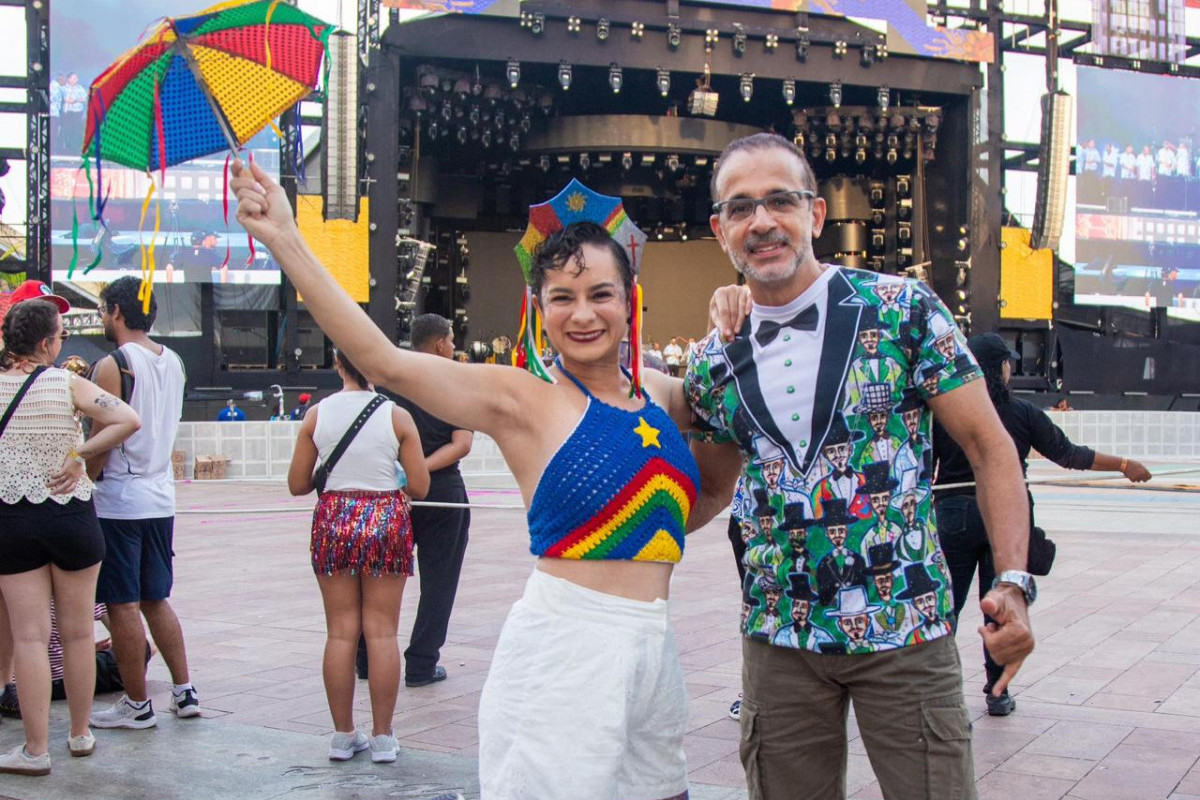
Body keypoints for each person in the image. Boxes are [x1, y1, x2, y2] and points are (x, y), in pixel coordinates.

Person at [233, 163, 715, 799]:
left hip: (654, 647)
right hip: (566, 649)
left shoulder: (661, 395)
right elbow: (382, 360)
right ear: (538, 309)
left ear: (629, 302)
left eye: (600, 294)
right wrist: (286, 240)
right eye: (562, 298)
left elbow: (700, 496)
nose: (583, 314)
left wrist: (740, 311)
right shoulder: (522, 399)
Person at [689, 132, 1035, 799]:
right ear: (721, 229)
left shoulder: (902, 310)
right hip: (778, 637)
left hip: (903, 627)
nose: (761, 221)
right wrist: (624, 545)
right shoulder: (712, 361)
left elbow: (992, 448)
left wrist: (1014, 583)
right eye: (740, 207)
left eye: (779, 201)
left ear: (815, 215)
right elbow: (711, 487)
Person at [932, 332, 1151, 716]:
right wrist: (1122, 464)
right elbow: (1068, 454)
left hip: (955, 515)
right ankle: (996, 693)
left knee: (943, 607)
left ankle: (934, 694)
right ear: (999, 368)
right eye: (1007, 364)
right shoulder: (1022, 413)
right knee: (1000, 605)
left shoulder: (947, 413)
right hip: (1004, 514)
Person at [0, 296, 140, 775]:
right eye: (59, 335)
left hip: (12, 521)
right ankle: (80, 735)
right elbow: (126, 418)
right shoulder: (66, 382)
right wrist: (80, 452)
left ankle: (36, 750)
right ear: (45, 343)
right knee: (80, 631)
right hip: (73, 518)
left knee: (31, 637)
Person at [288, 347, 430, 762]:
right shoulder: (397, 416)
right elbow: (420, 487)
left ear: (336, 364)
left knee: (340, 631)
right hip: (386, 517)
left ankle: (342, 735)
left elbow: (297, 484)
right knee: (382, 631)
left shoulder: (317, 415)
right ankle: (384, 737)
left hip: (333, 519)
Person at [87, 276, 198, 730]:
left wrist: (80, 482)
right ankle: (184, 690)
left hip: (119, 499)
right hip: (159, 496)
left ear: (115, 310)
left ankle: (137, 704)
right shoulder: (173, 361)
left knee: (121, 603)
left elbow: (100, 442)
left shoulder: (113, 365)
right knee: (156, 598)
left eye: (102, 308)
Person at [388, 314, 474, 689]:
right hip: (443, 493)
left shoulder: (391, 379)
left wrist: (407, 474)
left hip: (395, 492)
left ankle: (365, 658)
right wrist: (421, 470)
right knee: (439, 583)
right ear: (439, 343)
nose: (454, 347)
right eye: (452, 340)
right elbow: (462, 444)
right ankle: (421, 664)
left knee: (382, 579)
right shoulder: (456, 383)